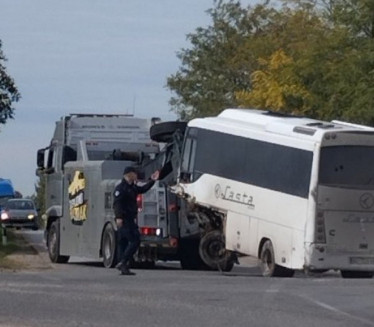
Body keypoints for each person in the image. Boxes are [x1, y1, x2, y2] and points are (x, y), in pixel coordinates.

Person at [113, 166, 159, 275]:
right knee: (134, 240)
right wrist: (119, 217)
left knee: (124, 242)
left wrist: (153, 180)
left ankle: (124, 266)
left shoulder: (132, 187)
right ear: (128, 174)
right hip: (124, 219)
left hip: (130, 219)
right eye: (134, 173)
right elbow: (117, 204)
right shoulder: (121, 188)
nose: (136, 175)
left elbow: (143, 189)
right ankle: (123, 262)